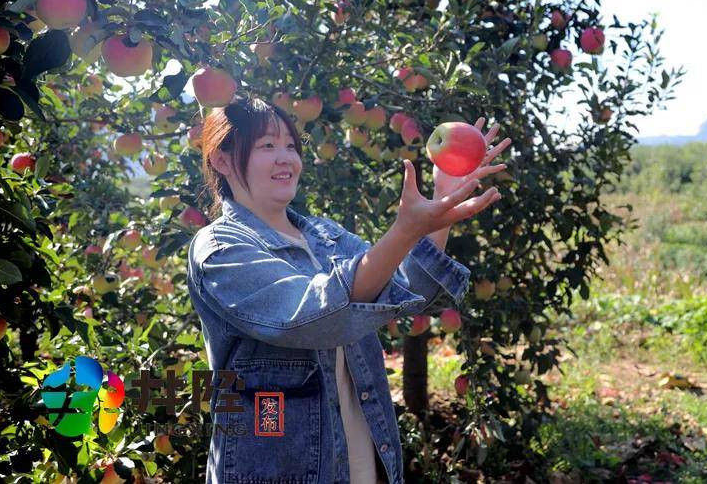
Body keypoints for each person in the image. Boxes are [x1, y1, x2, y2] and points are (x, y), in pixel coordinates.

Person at [186, 97, 511, 484]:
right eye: (267, 146)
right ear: (222, 161)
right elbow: (309, 318)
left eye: (290, 145)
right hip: (279, 468)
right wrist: (404, 230)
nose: (285, 157)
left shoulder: (325, 235)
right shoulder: (220, 248)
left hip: (363, 460)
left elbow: (407, 291)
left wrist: (440, 207)